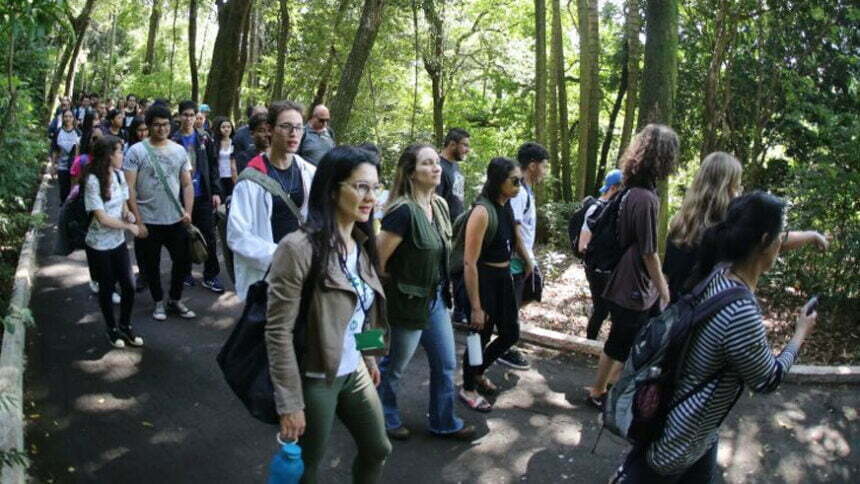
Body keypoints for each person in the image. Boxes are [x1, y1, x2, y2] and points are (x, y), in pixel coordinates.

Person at [611, 192, 821, 482]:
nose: (781, 242)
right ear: (763, 241)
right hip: (680, 439)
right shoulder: (740, 311)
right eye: (779, 236)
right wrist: (799, 335)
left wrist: (810, 236)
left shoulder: (719, 273)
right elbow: (766, 379)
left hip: (693, 428)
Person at [266, 146, 391, 484]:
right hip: (317, 376)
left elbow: (364, 309)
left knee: (378, 448)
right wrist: (290, 402)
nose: (371, 197)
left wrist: (369, 354)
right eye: (361, 187)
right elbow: (277, 331)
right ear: (333, 189)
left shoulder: (362, 241)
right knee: (307, 468)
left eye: (375, 187)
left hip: (355, 371)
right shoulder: (298, 248)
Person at [375, 144, 476, 441]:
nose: (436, 168)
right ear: (410, 173)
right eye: (427, 163)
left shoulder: (441, 206)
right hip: (405, 303)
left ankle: (444, 422)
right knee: (393, 366)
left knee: (445, 363)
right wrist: (382, 307)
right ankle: (384, 417)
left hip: (435, 300)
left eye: (436, 163)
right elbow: (377, 264)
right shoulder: (401, 212)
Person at [586, 124, 679, 410]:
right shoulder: (645, 198)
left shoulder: (633, 189)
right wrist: (665, 290)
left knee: (633, 337)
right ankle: (599, 391)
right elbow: (649, 252)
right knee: (620, 340)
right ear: (663, 157)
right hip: (632, 283)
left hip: (632, 280)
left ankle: (612, 386)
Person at [664, 152, 828, 302]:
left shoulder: (680, 225)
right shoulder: (723, 232)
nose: (739, 192)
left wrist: (810, 235)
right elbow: (770, 240)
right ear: (725, 189)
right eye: (737, 186)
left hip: (678, 319)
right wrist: (811, 235)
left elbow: (668, 278)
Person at [458, 157, 533, 412]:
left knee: (510, 333)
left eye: (520, 180)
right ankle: (468, 386)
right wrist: (476, 305)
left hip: (503, 280)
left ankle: (478, 370)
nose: (519, 186)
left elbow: (515, 238)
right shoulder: (482, 211)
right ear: (499, 180)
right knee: (477, 336)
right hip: (483, 279)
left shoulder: (506, 205)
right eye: (514, 181)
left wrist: (528, 261)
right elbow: (469, 262)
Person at [227, 100, 316, 301]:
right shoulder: (251, 179)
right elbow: (238, 235)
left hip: (302, 270)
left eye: (299, 127)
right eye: (286, 126)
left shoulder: (308, 172)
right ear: (269, 129)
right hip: (267, 275)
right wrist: (282, 256)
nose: (294, 133)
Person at [123, 104, 197, 321]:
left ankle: (175, 299)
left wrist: (188, 212)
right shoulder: (136, 151)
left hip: (175, 218)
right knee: (151, 265)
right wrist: (138, 221)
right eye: (156, 125)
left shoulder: (179, 150)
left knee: (183, 261)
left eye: (165, 124)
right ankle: (158, 302)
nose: (161, 129)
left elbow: (187, 185)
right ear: (149, 126)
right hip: (149, 219)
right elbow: (129, 188)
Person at [82, 135, 142, 348]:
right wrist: (129, 227)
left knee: (129, 286)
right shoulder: (92, 180)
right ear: (108, 156)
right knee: (107, 288)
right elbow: (102, 217)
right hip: (98, 245)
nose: (122, 156)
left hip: (117, 242)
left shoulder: (119, 176)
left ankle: (125, 326)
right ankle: (111, 329)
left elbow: (123, 204)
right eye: (119, 152)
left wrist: (128, 215)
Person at [499, 142, 550, 370]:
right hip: (515, 261)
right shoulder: (518, 191)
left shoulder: (526, 190)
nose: (545, 171)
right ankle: (503, 346)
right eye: (544, 166)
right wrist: (528, 261)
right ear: (532, 165)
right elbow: (515, 229)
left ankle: (503, 336)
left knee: (529, 294)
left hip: (523, 259)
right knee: (511, 304)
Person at [170, 100, 223, 292]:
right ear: (179, 116)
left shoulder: (204, 138)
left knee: (208, 235)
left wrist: (216, 191)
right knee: (182, 236)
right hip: (179, 196)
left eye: (192, 115)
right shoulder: (172, 140)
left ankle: (211, 274)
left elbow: (214, 166)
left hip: (203, 195)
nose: (189, 119)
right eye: (185, 115)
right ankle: (184, 272)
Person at [579, 169, 623, 340]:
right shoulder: (596, 209)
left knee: (605, 309)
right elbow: (583, 244)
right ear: (614, 188)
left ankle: (592, 342)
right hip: (597, 269)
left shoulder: (615, 210)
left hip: (607, 269)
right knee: (603, 309)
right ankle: (590, 342)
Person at [436, 128, 472, 323]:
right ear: (452, 144)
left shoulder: (455, 168)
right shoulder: (439, 167)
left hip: (457, 228)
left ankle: (459, 311)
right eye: (465, 145)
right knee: (447, 270)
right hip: (444, 230)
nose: (467, 149)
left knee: (459, 268)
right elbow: (436, 201)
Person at [51, 108, 81, 203]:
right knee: (64, 192)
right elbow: (55, 150)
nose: (68, 119)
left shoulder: (78, 133)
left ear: (73, 118)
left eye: (70, 116)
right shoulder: (58, 132)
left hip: (74, 168)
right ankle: (63, 211)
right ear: (63, 118)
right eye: (66, 116)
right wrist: (53, 165)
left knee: (73, 194)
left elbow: (81, 151)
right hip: (62, 167)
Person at [211, 116, 237, 198]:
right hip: (219, 177)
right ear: (219, 129)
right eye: (223, 127)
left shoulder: (235, 142)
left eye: (228, 127)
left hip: (232, 177)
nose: (226, 129)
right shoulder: (214, 143)